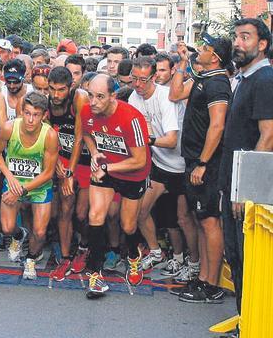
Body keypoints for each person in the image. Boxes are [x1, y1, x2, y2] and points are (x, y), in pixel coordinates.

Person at [171, 33, 233, 304]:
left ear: (215, 57)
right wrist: (183, 63)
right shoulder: (203, 77)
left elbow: (217, 125)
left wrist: (203, 163)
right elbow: (175, 94)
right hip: (193, 160)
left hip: (205, 164)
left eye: (205, 48)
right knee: (203, 220)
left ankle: (211, 284)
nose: (200, 51)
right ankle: (205, 279)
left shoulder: (218, 83)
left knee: (210, 222)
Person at [218, 18, 273, 314]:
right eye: (236, 36)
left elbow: (269, 135)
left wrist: (244, 188)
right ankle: (245, 320)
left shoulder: (265, 80)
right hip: (233, 184)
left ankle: (252, 323)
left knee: (248, 260)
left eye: (245, 37)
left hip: (247, 192)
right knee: (236, 259)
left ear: (262, 44)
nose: (237, 43)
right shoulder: (244, 78)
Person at [126, 57, 196, 281]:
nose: (137, 84)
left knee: (183, 219)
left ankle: (193, 263)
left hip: (183, 165)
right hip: (160, 166)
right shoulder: (133, 97)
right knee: (140, 211)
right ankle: (156, 252)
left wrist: (146, 139)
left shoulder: (165, 98)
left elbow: (171, 140)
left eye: (143, 80)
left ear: (154, 77)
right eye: (134, 79)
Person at [81, 74, 151, 298]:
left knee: (128, 226)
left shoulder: (132, 118)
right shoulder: (87, 111)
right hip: (105, 168)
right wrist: (93, 152)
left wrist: (109, 168)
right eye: (90, 95)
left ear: (113, 96)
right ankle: (95, 274)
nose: (93, 102)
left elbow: (140, 160)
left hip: (132, 173)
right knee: (95, 216)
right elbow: (86, 134)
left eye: (100, 97)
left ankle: (133, 256)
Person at [0, 91, 59, 280]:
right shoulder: (9, 128)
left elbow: (48, 173)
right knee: (7, 228)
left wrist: (21, 189)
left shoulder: (50, 135)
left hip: (39, 186)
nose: (30, 119)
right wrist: (9, 176)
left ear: (44, 115)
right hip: (14, 182)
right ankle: (19, 236)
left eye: (35, 115)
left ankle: (31, 258)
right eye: (27, 113)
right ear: (21, 112)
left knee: (40, 231)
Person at [47, 67, 92, 281]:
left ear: (70, 87)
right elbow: (48, 139)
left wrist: (70, 172)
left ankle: (84, 246)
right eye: (52, 89)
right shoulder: (45, 103)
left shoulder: (79, 98)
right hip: (62, 156)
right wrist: (60, 168)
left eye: (61, 90)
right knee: (65, 208)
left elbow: (79, 137)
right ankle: (65, 256)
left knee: (82, 213)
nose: (56, 95)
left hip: (83, 159)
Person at [0, 59, 30, 123]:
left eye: (16, 82)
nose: (11, 86)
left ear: (23, 78)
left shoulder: (32, 92)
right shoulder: (0, 93)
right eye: (8, 82)